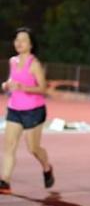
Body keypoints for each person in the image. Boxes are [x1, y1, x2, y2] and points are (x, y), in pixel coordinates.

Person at [0, 27, 55, 193]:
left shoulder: (34, 64)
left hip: (33, 111)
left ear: (31, 45)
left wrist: (23, 88)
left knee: (33, 148)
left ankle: (47, 167)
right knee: (9, 146)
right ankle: (5, 181)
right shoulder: (13, 61)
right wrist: (6, 85)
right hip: (14, 109)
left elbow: (43, 88)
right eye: (17, 40)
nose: (19, 43)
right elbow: (13, 79)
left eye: (23, 40)